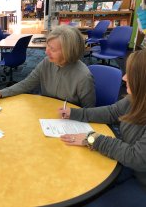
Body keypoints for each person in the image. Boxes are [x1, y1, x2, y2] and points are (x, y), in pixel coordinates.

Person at [59, 49, 146, 207]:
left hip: (141, 181)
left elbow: (137, 158)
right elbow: (111, 112)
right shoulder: (135, 99)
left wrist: (92, 138)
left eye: (131, 74)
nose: (124, 78)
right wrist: (75, 113)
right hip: (129, 166)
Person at [0, 25, 95, 108]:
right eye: (47, 46)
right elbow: (26, 84)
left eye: (53, 49)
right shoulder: (47, 63)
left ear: (69, 52)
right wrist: (1, 93)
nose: (46, 52)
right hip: (46, 114)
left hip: (68, 122)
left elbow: (89, 111)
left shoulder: (83, 76)